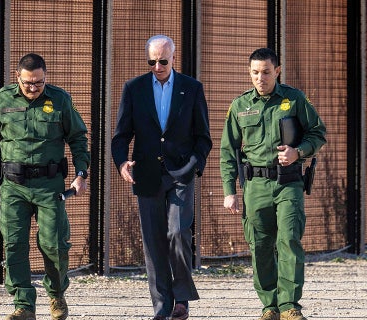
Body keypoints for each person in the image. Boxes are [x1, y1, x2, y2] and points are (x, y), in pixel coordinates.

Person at [0, 53, 90, 320]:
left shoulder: (60, 100)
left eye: (38, 82)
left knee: (54, 243)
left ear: (45, 77)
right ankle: (23, 304)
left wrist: (81, 173)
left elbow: (78, 138)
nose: (33, 88)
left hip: (50, 185)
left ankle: (57, 294)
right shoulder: (3, 99)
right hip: (13, 186)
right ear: (18, 78)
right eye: (28, 83)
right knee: (14, 243)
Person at [219, 48, 326, 320]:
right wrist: (230, 191)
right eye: (255, 72)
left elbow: (317, 133)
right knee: (260, 245)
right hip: (255, 186)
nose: (260, 77)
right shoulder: (240, 106)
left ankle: (290, 305)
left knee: (289, 239)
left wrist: (298, 152)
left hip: (288, 182)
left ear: (277, 71)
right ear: (249, 73)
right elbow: (228, 151)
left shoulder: (294, 99)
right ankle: (269, 306)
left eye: (266, 72)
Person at [111, 35, 212, 320]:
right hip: (147, 174)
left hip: (181, 173)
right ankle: (162, 307)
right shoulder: (134, 89)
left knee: (178, 232)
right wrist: (121, 164)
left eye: (163, 61)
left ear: (173, 58)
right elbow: (120, 137)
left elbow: (203, 137)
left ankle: (181, 300)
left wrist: (194, 165)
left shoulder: (192, 89)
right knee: (154, 242)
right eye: (152, 61)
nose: (157, 66)